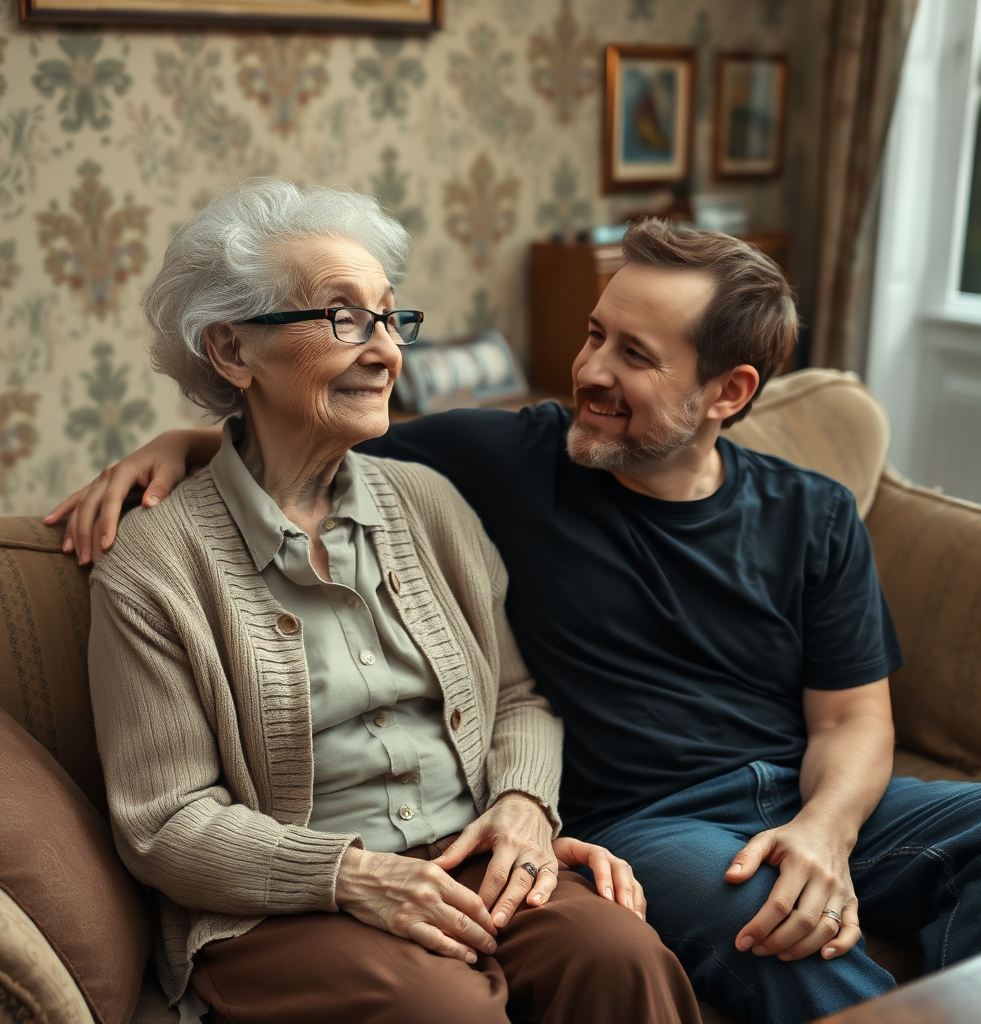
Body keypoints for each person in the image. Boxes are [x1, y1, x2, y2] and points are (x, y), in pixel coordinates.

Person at [55, 217, 981, 1024]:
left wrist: (823, 833)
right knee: (769, 924)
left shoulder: (811, 510)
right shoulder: (500, 456)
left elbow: (851, 719)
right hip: (653, 823)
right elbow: (295, 437)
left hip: (781, 795)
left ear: (729, 394)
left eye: (635, 355)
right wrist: (186, 442)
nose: (587, 372)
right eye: (593, 335)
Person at [82, 178, 701, 1024]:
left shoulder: (429, 503)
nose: (385, 351)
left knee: (621, 957)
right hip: (283, 909)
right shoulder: (153, 567)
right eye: (343, 317)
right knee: (445, 1009)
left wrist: (522, 805)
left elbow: (520, 697)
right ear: (232, 352)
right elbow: (167, 821)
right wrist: (351, 875)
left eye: (390, 317)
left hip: (465, 859)